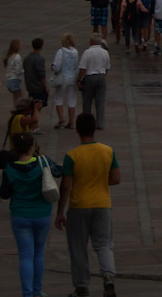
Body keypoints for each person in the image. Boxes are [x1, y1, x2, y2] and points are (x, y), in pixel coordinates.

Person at [56, 112, 119, 297]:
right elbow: (116, 178)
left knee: (78, 247)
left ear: (77, 131)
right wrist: (98, 181)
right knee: (103, 244)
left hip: (78, 206)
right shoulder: (108, 151)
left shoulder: (72, 156)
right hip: (102, 205)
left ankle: (82, 287)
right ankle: (108, 276)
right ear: (94, 129)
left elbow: (66, 186)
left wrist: (60, 211)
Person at [0, 130, 55, 297]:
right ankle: (37, 291)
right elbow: (59, 172)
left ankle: (27, 293)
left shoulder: (9, 168)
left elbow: (4, 194)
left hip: (20, 215)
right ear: (32, 147)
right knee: (38, 253)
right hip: (42, 214)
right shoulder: (43, 163)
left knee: (25, 255)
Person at [78, 37, 109, 133]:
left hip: (89, 77)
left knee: (87, 102)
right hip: (101, 77)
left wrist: (79, 80)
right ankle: (100, 123)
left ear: (91, 41)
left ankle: (87, 124)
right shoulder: (105, 52)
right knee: (100, 102)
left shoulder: (87, 52)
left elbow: (82, 68)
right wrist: (103, 75)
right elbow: (107, 67)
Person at [50, 35, 80, 130]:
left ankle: (61, 119)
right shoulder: (75, 52)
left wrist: (53, 67)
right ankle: (71, 122)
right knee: (72, 100)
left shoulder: (61, 51)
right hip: (73, 78)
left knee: (58, 98)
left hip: (62, 78)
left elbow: (57, 66)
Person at [23, 39, 48, 109]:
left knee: (32, 106)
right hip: (38, 88)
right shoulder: (40, 59)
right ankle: (35, 119)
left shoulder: (27, 58)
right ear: (41, 46)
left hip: (30, 87)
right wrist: (46, 86)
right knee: (37, 107)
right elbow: (41, 75)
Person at [2, 39, 24, 108]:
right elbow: (18, 71)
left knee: (17, 100)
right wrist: (24, 71)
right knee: (19, 100)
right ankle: (18, 114)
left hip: (9, 80)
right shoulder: (17, 57)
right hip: (15, 80)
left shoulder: (10, 56)